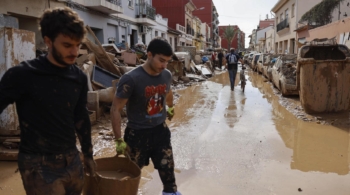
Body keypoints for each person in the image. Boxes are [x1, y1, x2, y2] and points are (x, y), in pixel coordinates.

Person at [0, 7, 95, 194]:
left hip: (72, 159)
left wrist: (88, 154)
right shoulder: (22, 75)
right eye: (67, 45)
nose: (75, 52)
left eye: (78, 44)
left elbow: (80, 117)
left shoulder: (78, 78)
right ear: (48, 41)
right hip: (38, 163)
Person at [110, 38, 182, 195]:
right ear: (149, 55)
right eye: (161, 60)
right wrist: (118, 139)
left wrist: (170, 107)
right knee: (130, 177)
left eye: (167, 62)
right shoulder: (131, 79)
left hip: (160, 132)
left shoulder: (166, 75)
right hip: (137, 135)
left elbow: (168, 92)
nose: (164, 66)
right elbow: (116, 108)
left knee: (169, 176)